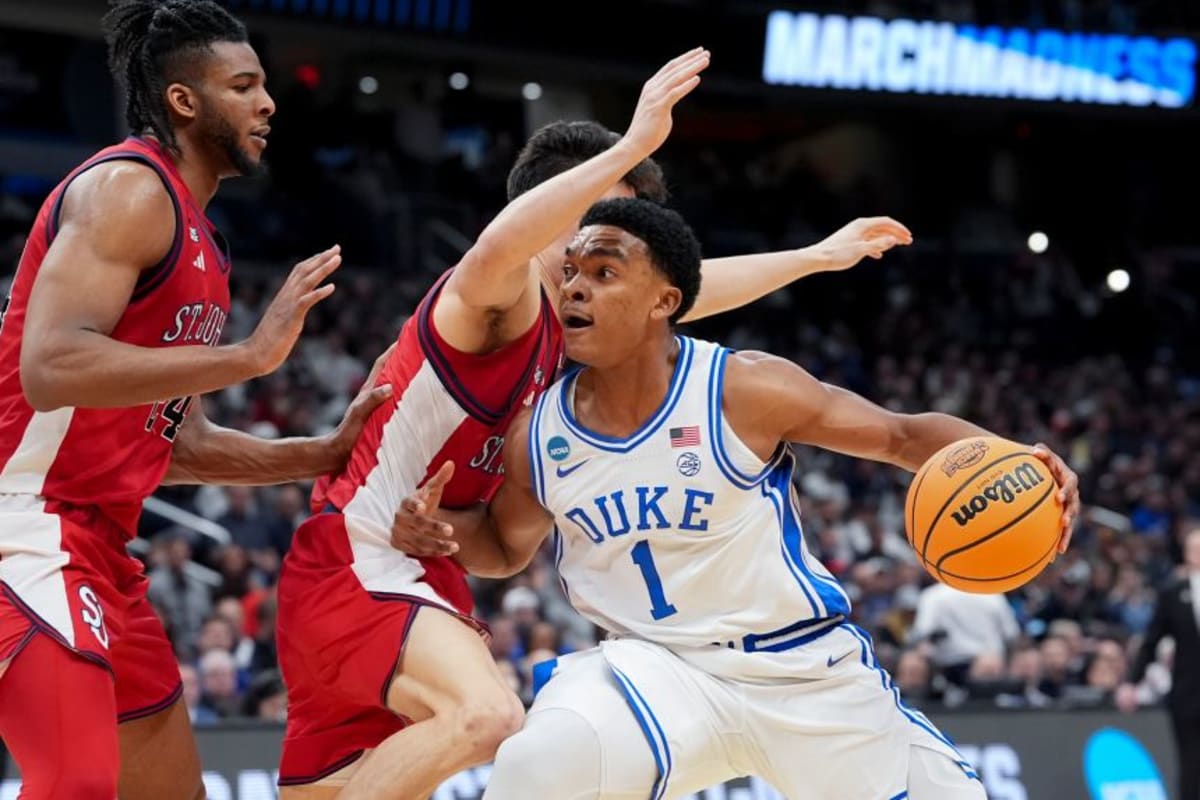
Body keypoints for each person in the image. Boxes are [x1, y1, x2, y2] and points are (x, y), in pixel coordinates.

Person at [274, 48, 914, 798]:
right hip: (357, 556)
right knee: (487, 718)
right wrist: (633, 144)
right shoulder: (492, 297)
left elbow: (685, 292)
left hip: (418, 571)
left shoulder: (572, 329)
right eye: (618, 211)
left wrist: (814, 256)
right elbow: (500, 245)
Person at [396, 197, 1081, 799]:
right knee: (536, 769)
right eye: (570, 272)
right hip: (655, 672)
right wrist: (444, 533)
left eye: (603, 274)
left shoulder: (742, 389)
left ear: (665, 300)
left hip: (799, 669)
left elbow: (903, 436)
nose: (574, 289)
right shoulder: (537, 434)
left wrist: (1018, 461)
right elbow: (506, 546)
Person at [0, 2, 391, 797]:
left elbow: (171, 443)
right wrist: (247, 357)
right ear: (186, 101)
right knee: (76, 785)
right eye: (243, 85)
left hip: (102, 547)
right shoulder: (128, 189)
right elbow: (50, 364)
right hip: (26, 523)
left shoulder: (204, 240)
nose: (268, 103)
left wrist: (317, 453)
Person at [1117, 526, 1200, 800]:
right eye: (1194, 549)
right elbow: (1152, 641)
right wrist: (1130, 681)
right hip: (1188, 694)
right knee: (1190, 765)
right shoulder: (1173, 593)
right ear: (1186, 555)